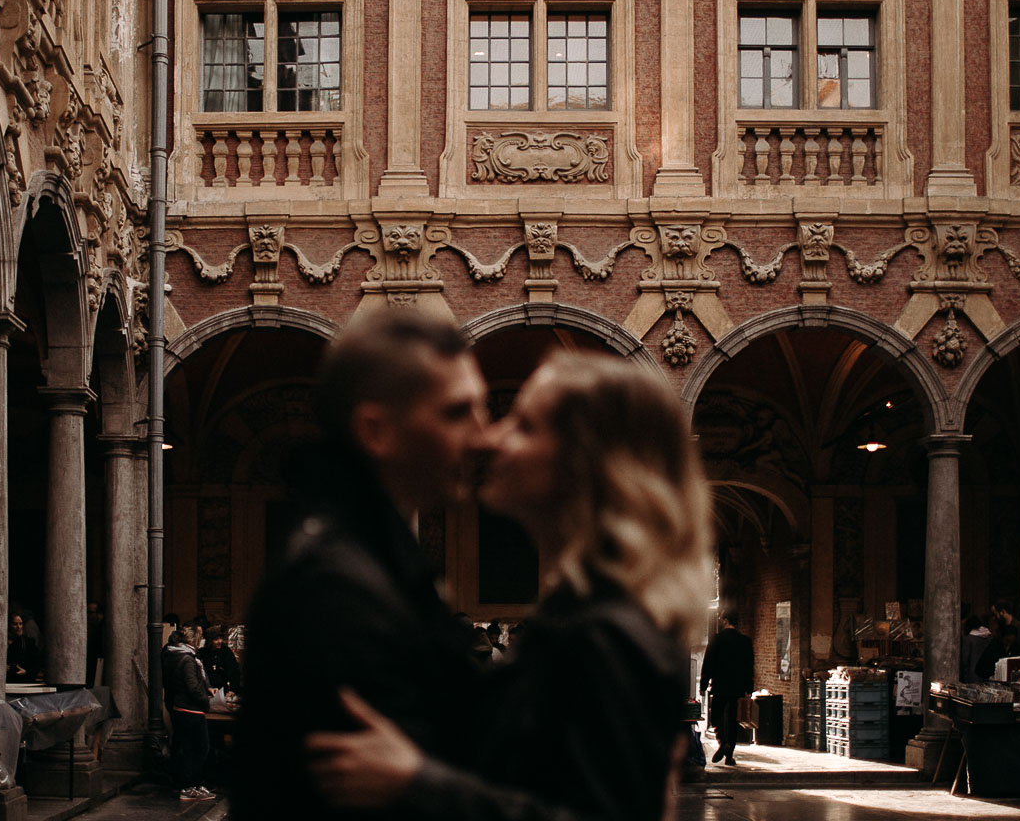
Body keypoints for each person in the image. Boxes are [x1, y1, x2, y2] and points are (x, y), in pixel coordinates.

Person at [304, 351, 713, 821]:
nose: (489, 439)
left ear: (583, 464)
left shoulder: (606, 635)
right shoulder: (582, 615)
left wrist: (415, 781)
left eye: (523, 426)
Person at [232, 309, 491, 820]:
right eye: (457, 413)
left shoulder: (370, 557)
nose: (483, 436)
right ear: (376, 430)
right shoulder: (338, 588)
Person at [163, 619, 217, 802]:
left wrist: (207, 688)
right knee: (200, 748)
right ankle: (190, 786)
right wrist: (206, 700)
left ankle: (190, 784)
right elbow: (192, 686)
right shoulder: (187, 659)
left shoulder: (176, 655)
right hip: (190, 708)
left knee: (188, 747)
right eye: (200, 637)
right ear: (194, 639)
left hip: (181, 707)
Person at [700, 612, 754, 766]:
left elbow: (708, 662)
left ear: (725, 620)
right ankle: (729, 755)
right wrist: (749, 688)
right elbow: (749, 666)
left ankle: (722, 741)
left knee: (716, 715)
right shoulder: (745, 641)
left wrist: (704, 684)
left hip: (720, 685)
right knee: (733, 719)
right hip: (738, 686)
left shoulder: (717, 640)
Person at [201, 625, 240, 694]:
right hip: (206, 689)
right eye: (216, 639)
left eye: (220, 638)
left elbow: (234, 671)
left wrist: (233, 689)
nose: (220, 641)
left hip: (223, 690)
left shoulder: (226, 651)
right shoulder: (202, 653)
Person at [6, 612, 42, 682]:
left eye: (20, 623)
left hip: (23, 680)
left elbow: (36, 663)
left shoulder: (29, 642)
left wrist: (26, 672)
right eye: (15, 624)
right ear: (9, 625)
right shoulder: (2, 641)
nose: (18, 627)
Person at [960, 614, 996, 682]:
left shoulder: (968, 639)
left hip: (973, 675)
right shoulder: (989, 636)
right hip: (988, 673)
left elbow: (965, 659)